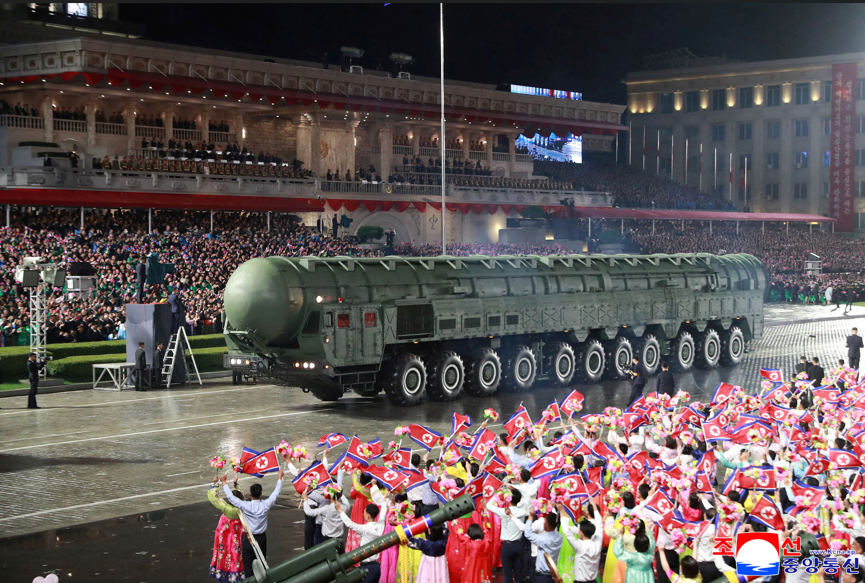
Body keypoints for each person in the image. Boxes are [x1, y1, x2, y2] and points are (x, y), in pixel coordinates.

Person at [221, 469, 285, 579]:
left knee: (248, 565)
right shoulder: (266, 504)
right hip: (261, 538)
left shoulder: (246, 505)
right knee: (262, 564)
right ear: (261, 493)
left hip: (248, 538)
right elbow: (276, 493)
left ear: (250, 494)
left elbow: (231, 498)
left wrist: (224, 482)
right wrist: (280, 478)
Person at [336, 500, 385, 583]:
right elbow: (383, 514)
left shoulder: (365, 529)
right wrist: (384, 500)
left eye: (364, 512)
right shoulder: (381, 526)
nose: (363, 514)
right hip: (377, 567)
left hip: (367, 567)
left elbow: (350, 524)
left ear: (368, 516)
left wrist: (339, 510)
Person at [509, 510, 563, 583]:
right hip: (553, 575)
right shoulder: (560, 537)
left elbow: (528, 533)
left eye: (544, 522)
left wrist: (531, 516)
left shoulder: (543, 540)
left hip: (542, 576)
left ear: (547, 525)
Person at [207, 476, 245, 581]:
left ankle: (222, 571)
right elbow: (242, 495)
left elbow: (214, 497)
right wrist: (236, 484)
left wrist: (216, 484)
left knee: (223, 551)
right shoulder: (242, 506)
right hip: (237, 533)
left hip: (224, 534)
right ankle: (237, 572)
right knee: (237, 552)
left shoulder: (226, 507)